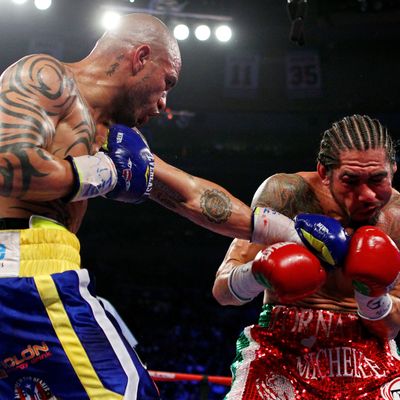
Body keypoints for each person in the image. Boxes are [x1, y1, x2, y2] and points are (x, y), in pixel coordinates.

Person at [0, 12, 300, 400]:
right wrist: (104, 171)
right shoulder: (47, 76)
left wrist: (289, 232)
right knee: (128, 392)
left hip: (30, 272)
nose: (163, 103)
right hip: (22, 267)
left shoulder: (118, 139)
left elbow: (190, 195)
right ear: (141, 57)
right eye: (167, 82)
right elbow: (8, 164)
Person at [213, 114, 400, 399]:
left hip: (367, 355)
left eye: (378, 179)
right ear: (324, 173)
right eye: (350, 180)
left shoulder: (396, 217)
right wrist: (258, 272)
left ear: (393, 169)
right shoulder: (287, 194)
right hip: (282, 346)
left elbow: (390, 328)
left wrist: (373, 296)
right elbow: (223, 291)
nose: (366, 195)